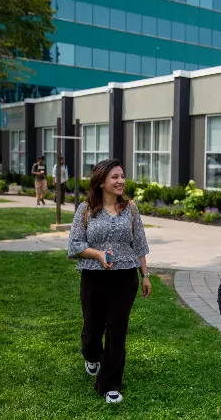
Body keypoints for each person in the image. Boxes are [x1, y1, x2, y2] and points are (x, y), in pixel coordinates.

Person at [67, 158, 152, 404]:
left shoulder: (131, 209)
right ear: (102, 181)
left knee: (117, 331)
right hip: (93, 277)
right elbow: (74, 245)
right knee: (92, 329)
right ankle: (91, 355)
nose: (120, 181)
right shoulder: (85, 210)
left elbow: (140, 244)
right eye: (115, 177)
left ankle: (110, 383)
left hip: (125, 277)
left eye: (122, 176)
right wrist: (97, 254)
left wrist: (145, 275)